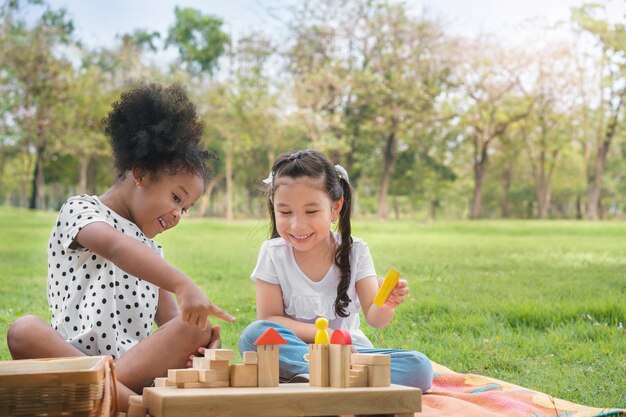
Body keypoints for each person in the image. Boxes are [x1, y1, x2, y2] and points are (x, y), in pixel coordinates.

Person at [6, 83, 236, 409]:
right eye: (175, 198)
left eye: (184, 208)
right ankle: (131, 402)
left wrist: (203, 338)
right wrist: (182, 283)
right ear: (140, 174)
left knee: (194, 328)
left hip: (131, 365)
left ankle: (111, 397)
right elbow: (116, 247)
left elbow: (172, 321)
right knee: (24, 329)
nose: (177, 214)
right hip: (72, 356)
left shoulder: (153, 254)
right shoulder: (82, 211)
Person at [238, 149, 433, 391]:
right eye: (285, 212)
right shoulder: (273, 253)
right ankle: (330, 377)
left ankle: (316, 379)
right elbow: (269, 319)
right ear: (273, 207)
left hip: (351, 353)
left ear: (335, 208)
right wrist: (326, 335)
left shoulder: (356, 251)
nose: (297, 224)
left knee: (419, 367)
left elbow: (376, 318)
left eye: (311, 211)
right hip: (301, 351)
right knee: (254, 335)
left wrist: (386, 303)